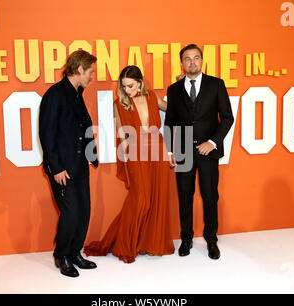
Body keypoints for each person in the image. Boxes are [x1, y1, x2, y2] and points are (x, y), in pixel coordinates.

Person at [84, 65, 175, 263]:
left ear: (140, 82)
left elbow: (173, 108)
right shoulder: (119, 104)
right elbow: (120, 133)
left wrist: (178, 86)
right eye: (124, 86)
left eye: (131, 86)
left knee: (157, 198)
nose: (127, 90)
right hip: (136, 152)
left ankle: (151, 244)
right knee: (141, 198)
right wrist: (128, 156)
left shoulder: (152, 97)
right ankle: (125, 243)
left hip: (157, 150)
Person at [164, 44, 234, 259]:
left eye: (196, 58)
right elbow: (169, 122)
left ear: (201, 60)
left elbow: (228, 117)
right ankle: (186, 239)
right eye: (187, 59)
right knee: (185, 196)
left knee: (210, 196)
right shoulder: (173, 90)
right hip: (183, 150)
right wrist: (170, 151)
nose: (192, 62)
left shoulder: (216, 84)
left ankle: (211, 240)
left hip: (208, 151)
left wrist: (212, 142)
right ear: (182, 63)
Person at [39, 50, 99, 277]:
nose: (92, 76)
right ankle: (61, 255)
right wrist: (56, 168)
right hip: (63, 169)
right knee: (71, 213)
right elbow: (47, 134)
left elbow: (82, 128)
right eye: (90, 71)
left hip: (80, 164)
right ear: (80, 69)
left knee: (84, 211)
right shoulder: (55, 95)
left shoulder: (77, 93)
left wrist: (91, 155)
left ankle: (74, 252)